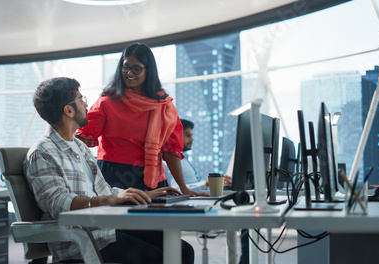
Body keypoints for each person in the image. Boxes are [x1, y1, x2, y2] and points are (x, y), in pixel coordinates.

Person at [24, 77, 194, 264]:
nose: (86, 104)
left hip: (105, 232)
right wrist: (111, 199)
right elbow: (59, 203)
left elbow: (103, 190)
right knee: (160, 258)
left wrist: (146, 195)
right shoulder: (43, 152)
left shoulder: (79, 147)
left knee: (183, 250)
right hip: (81, 242)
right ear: (69, 110)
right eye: (81, 99)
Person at [75, 42, 199, 196]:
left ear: (149, 71)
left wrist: (184, 188)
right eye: (126, 67)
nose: (129, 73)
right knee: (116, 220)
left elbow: (170, 152)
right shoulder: (107, 101)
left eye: (137, 68)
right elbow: (84, 137)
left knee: (151, 219)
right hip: (112, 176)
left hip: (152, 179)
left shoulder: (164, 105)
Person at [164, 118, 232, 192]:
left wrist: (211, 183)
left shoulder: (183, 159)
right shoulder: (172, 161)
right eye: (187, 135)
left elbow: (192, 184)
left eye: (191, 135)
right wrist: (206, 183)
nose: (192, 139)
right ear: (176, 135)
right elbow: (177, 190)